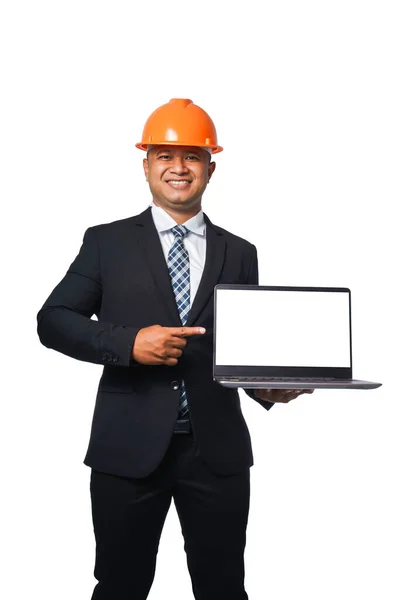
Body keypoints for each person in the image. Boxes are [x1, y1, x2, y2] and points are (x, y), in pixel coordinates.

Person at [37, 98, 313, 600]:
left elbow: (240, 346)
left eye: (191, 155)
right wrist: (128, 343)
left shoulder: (240, 251)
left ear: (211, 165)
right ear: (146, 165)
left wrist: (266, 387)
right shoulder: (106, 243)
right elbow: (53, 321)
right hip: (127, 449)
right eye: (165, 155)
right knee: (120, 585)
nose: (178, 168)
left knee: (224, 587)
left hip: (216, 451)